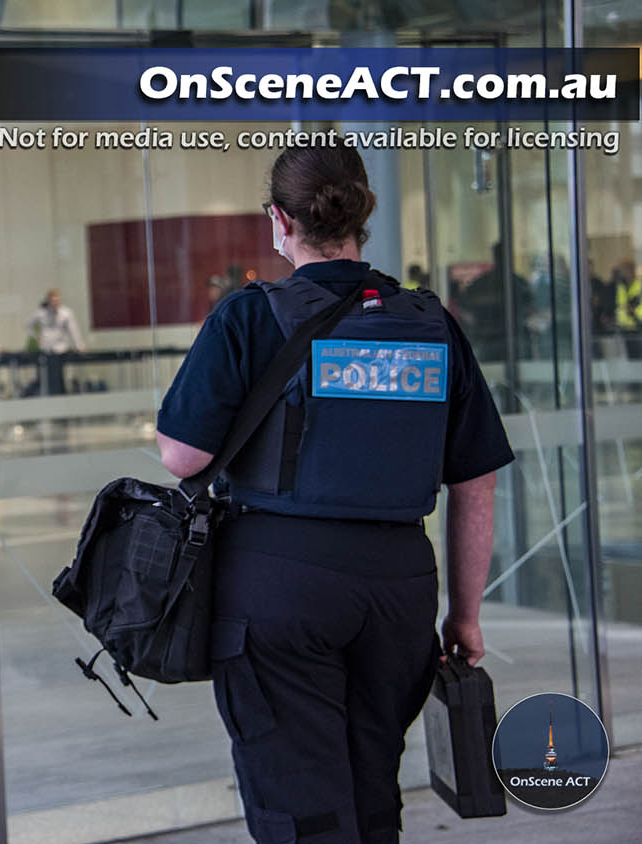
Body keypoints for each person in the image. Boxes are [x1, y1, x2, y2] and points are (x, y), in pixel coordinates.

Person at [154, 146, 513, 844]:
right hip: (400, 588)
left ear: (279, 220)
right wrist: (464, 615)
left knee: (301, 804)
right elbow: (477, 480)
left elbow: (182, 455)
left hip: (278, 586)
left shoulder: (248, 317)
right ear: (362, 216)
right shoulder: (429, 323)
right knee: (373, 785)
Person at [26, 288, 85, 395]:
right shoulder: (41, 314)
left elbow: (74, 330)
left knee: (59, 376)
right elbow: (28, 326)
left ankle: (61, 394)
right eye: (53, 301)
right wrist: (36, 336)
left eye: (57, 301)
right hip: (47, 349)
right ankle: (51, 395)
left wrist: (79, 345)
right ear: (48, 301)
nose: (55, 303)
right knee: (47, 377)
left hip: (62, 349)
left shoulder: (66, 313)